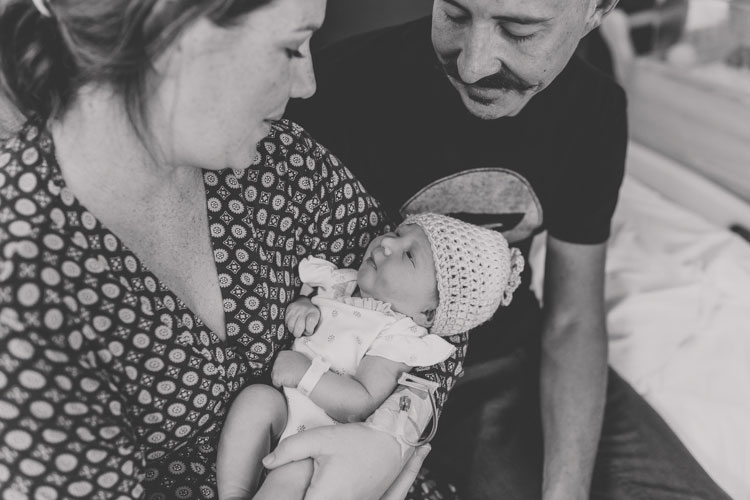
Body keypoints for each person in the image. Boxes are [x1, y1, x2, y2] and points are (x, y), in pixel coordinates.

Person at [0, 1, 467, 499]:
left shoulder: (279, 158)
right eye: (290, 46)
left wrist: (389, 439)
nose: (307, 83)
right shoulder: (25, 288)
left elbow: (443, 307)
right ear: (167, 37)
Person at [285, 0, 734, 499]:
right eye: (454, 15)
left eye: (519, 30)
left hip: (514, 357)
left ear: (597, 10)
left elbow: (573, 320)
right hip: (384, 373)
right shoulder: (340, 86)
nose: (472, 64)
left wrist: (566, 491)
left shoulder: (595, 110)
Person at [217, 213, 524, 500]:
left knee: (292, 472)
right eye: (397, 233)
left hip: (324, 438)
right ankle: (234, 493)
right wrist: (304, 305)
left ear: (428, 312)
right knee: (256, 400)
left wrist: (305, 375)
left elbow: (361, 403)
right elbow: (316, 304)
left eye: (408, 255)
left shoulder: (397, 337)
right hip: (284, 408)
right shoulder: (343, 286)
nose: (387, 242)